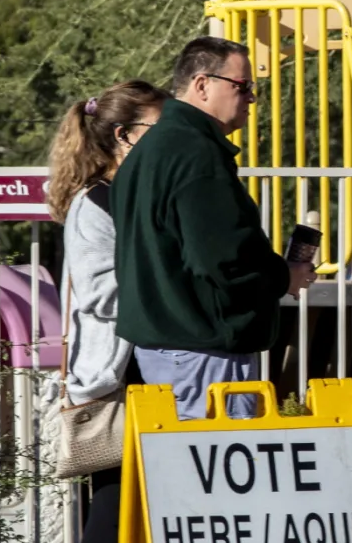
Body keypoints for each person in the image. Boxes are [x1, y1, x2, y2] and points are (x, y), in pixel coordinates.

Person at [110, 36, 317, 421]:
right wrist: (283, 276)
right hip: (203, 351)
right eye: (242, 86)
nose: (251, 98)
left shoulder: (149, 151)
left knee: (178, 458)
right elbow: (224, 259)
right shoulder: (196, 154)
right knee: (218, 456)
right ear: (202, 85)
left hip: (166, 348)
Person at [47, 80, 168, 543]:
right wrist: (169, 279)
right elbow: (97, 292)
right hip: (117, 376)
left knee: (148, 511)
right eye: (157, 130)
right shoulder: (96, 204)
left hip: (149, 366)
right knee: (113, 507)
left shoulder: (137, 194)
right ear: (124, 137)